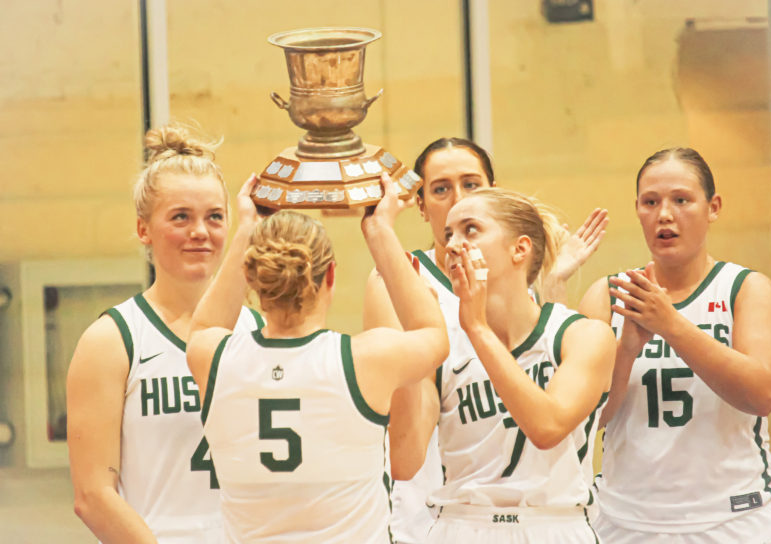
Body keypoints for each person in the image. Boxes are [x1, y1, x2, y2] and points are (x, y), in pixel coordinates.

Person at [365, 137, 609, 543]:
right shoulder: (436, 336)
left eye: (471, 229)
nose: (454, 244)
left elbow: (547, 427)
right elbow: (405, 461)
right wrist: (411, 342)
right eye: (450, 231)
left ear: (519, 249)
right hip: (459, 522)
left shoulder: (582, 333)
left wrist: (476, 326)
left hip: (553, 524)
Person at [185, 172, 449, 544]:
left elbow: (205, 324)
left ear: (251, 275)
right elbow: (434, 334)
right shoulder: (365, 360)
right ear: (331, 277)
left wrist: (248, 227)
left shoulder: (211, 356)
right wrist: (380, 231)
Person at [579, 147, 771, 543]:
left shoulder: (745, 289)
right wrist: (626, 349)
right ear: (638, 209)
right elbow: (588, 418)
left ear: (712, 206)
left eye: (681, 200)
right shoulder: (608, 295)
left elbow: (762, 394)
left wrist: (673, 326)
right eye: (651, 202)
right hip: (626, 521)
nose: (664, 214)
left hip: (733, 519)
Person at [66, 123, 264, 543]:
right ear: (144, 230)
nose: (199, 232)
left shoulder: (261, 330)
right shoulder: (112, 339)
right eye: (180, 217)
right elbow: (92, 495)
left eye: (214, 217)